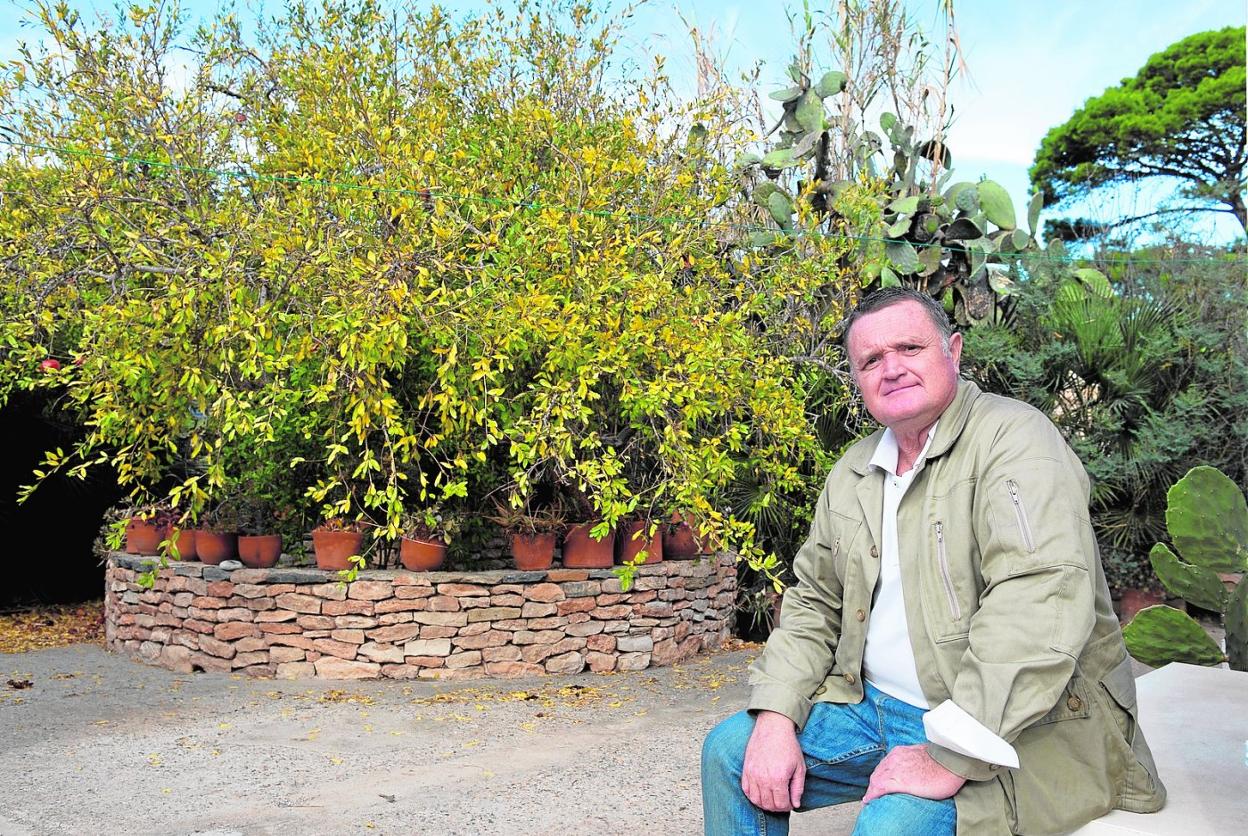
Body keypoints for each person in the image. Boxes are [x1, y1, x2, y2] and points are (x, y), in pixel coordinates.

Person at [701, 287, 1166, 835]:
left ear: (954, 351)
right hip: (868, 707)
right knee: (730, 753)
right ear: (857, 379)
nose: (891, 368)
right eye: (871, 359)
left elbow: (1038, 602)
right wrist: (778, 714)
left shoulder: (1013, 440)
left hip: (1011, 722)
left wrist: (948, 753)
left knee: (890, 825)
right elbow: (815, 603)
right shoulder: (854, 470)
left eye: (909, 348)